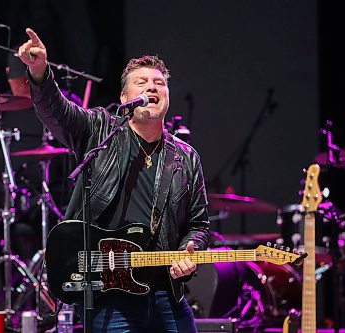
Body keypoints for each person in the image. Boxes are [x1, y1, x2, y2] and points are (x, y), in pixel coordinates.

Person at [17, 28, 211, 332]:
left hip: (165, 292)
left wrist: (190, 252)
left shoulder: (186, 158)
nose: (152, 87)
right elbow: (57, 112)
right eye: (142, 82)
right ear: (124, 97)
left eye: (159, 83)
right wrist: (40, 71)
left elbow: (199, 225)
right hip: (108, 294)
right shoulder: (100, 131)